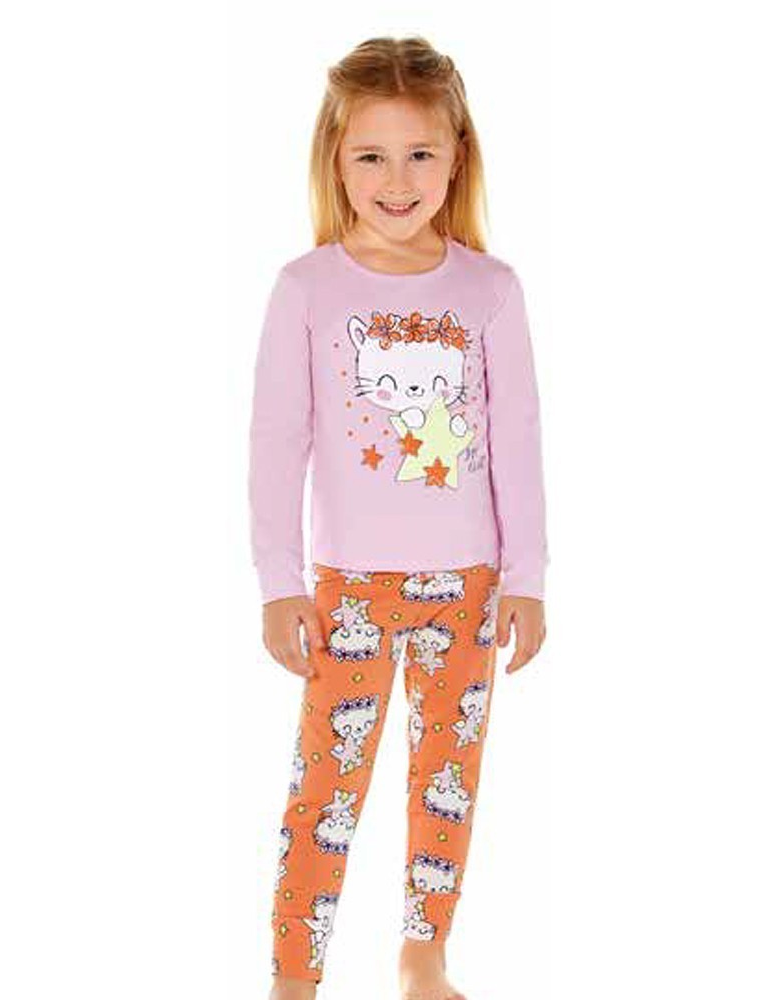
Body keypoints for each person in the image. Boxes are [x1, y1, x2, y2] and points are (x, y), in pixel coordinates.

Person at [249, 35, 549, 1000]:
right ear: (335, 160)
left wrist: (527, 578)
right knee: (324, 789)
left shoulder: (490, 290)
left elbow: (517, 441)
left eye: (420, 153)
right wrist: (279, 583)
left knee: (446, 780)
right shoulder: (307, 288)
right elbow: (277, 441)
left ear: (458, 155)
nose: (397, 179)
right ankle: (295, 975)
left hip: (467, 587)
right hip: (345, 590)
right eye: (372, 155)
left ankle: (425, 954)